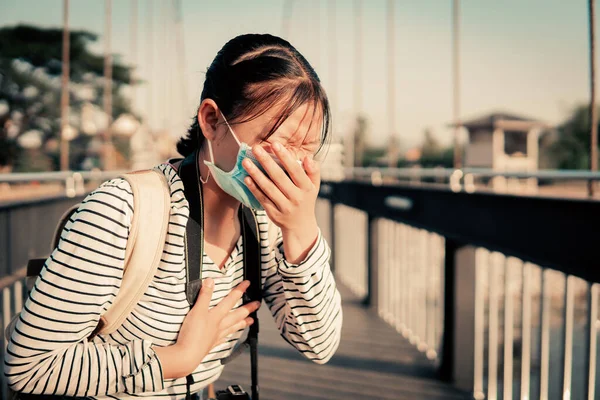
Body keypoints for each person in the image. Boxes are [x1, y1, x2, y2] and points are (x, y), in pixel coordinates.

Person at [4, 34, 343, 399]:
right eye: (275, 142)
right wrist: (177, 359)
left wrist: (302, 229)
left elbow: (318, 344)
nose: (289, 164)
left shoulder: (264, 225)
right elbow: (30, 366)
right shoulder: (123, 210)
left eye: (305, 150)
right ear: (211, 121)